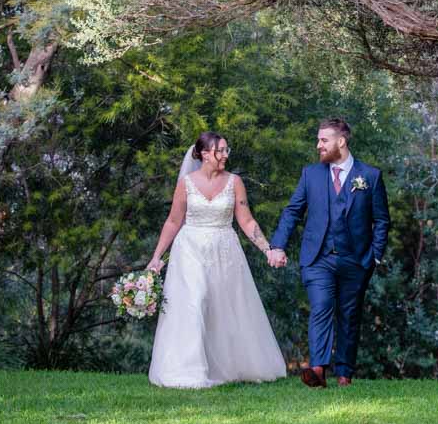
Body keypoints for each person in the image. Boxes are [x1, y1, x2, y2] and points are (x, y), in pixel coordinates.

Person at [144, 131, 285, 388]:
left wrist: (267, 249)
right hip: (189, 250)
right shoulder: (186, 183)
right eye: (220, 151)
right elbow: (174, 221)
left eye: (226, 150)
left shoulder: (235, 182)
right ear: (205, 154)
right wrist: (156, 257)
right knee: (195, 300)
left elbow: (247, 220)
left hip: (224, 250)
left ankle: (223, 366)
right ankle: (188, 372)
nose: (225, 156)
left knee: (222, 308)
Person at [267, 118, 390, 388]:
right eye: (318, 140)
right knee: (321, 306)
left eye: (324, 140)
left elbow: (381, 220)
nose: (318, 145)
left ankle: (344, 374)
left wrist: (375, 256)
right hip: (317, 258)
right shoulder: (311, 174)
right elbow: (292, 211)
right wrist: (277, 245)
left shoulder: (369, 176)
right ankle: (319, 369)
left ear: (341, 142)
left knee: (349, 315)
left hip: (356, 259)